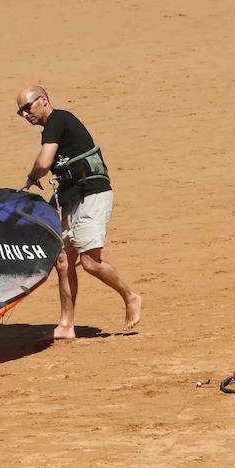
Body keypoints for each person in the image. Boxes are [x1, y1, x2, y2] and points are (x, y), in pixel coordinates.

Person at [16, 85, 142, 339]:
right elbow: (65, 173)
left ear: (43, 101)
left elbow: (44, 162)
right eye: (20, 112)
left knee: (90, 262)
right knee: (62, 261)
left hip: (92, 195)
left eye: (27, 108)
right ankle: (66, 325)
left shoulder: (57, 119)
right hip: (72, 198)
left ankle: (131, 296)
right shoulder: (54, 125)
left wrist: (31, 178)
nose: (25, 115)